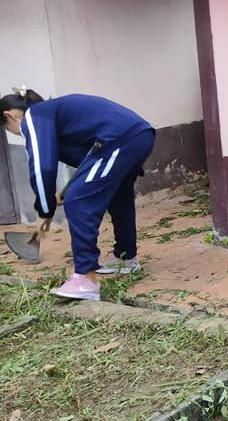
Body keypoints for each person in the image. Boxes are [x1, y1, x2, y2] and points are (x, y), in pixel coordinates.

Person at [0, 87, 155, 300]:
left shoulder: (34, 117)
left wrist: (45, 210)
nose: (18, 134)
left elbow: (42, 167)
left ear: (9, 116)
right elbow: (89, 160)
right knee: (118, 196)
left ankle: (85, 279)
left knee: (78, 202)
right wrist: (63, 193)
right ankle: (125, 257)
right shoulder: (52, 114)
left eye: (9, 130)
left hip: (118, 139)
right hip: (138, 135)